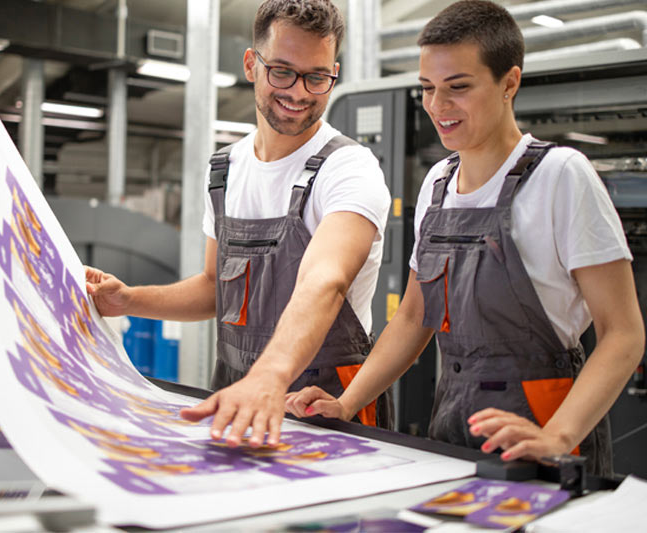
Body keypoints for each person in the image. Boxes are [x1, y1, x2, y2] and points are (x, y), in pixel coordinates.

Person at [285, 0, 644, 476]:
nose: (438, 106)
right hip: (452, 426)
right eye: (428, 89)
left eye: (458, 88)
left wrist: (558, 436)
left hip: (544, 430)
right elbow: (414, 317)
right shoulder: (437, 184)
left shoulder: (561, 176)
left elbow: (623, 333)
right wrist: (346, 404)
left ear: (508, 84)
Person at [85, 0, 393, 448]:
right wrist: (129, 300)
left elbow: (326, 282)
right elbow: (216, 287)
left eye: (317, 76)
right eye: (282, 71)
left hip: (326, 402)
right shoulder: (226, 169)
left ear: (334, 73)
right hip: (237, 390)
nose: (300, 92)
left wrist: (269, 376)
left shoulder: (350, 169)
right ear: (252, 64)